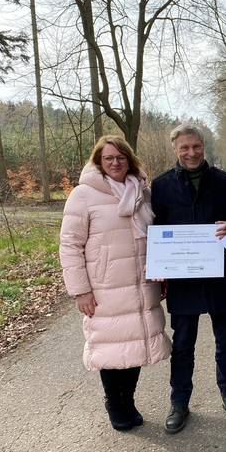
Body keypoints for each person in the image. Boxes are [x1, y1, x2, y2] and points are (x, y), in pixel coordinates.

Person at [59, 135, 171, 432]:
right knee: (110, 347)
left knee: (135, 345)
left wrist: (162, 271)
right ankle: (115, 402)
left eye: (121, 157)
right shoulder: (83, 195)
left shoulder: (142, 192)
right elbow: (70, 244)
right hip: (104, 287)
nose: (115, 163)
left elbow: (156, 236)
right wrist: (80, 289)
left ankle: (128, 399)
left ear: (129, 160)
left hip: (141, 282)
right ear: (99, 161)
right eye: (108, 158)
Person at [151, 123, 226, 434]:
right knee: (182, 344)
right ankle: (179, 402)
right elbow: (156, 230)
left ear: (203, 147)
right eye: (184, 148)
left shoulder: (223, 180)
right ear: (175, 150)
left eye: (196, 147)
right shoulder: (161, 185)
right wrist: (159, 262)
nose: (191, 153)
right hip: (184, 280)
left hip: (220, 276)